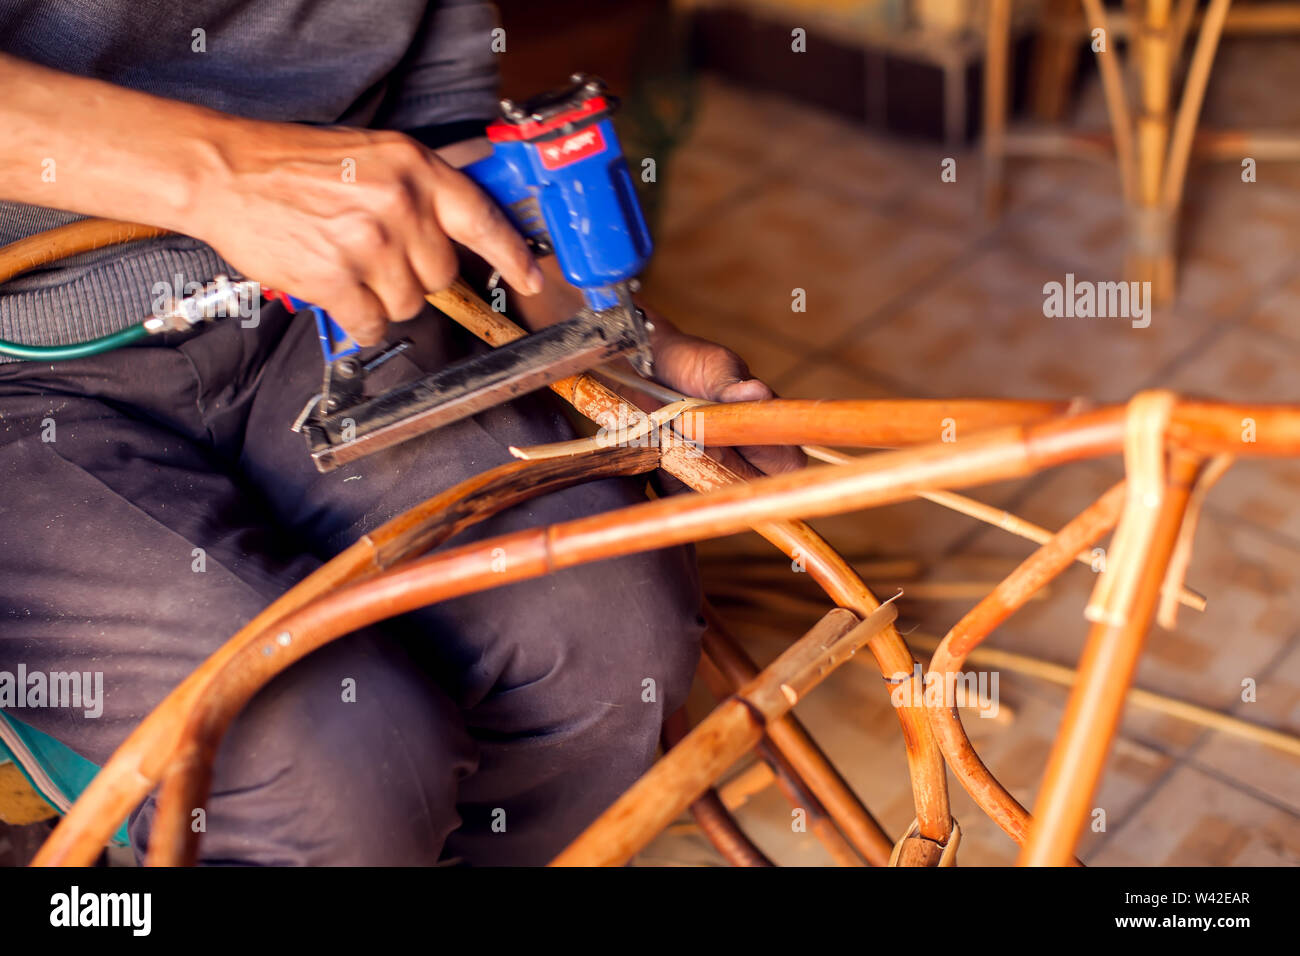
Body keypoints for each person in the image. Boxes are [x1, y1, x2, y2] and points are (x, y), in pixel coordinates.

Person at [0, 1, 797, 864]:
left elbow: (448, 153)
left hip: (333, 316)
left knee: (606, 632)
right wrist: (224, 171)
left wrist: (637, 355)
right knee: (326, 755)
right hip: (20, 378)